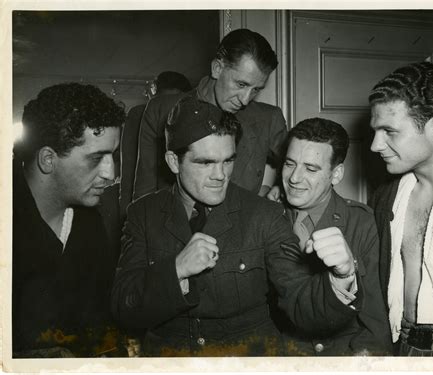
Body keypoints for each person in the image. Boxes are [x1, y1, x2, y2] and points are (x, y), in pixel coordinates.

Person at [111, 95, 295, 356]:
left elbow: (302, 298)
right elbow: (124, 308)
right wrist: (176, 269)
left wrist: (341, 280)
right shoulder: (143, 213)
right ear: (174, 162)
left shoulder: (264, 214)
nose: (220, 176)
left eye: (228, 161)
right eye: (206, 162)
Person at [12, 82, 125, 357]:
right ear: (48, 160)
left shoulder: (91, 224)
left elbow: (102, 330)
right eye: (96, 158)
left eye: (113, 155)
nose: (110, 173)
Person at [266, 118, 392, 356]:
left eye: (311, 169)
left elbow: (375, 322)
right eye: (290, 164)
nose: (294, 178)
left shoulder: (362, 223)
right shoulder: (267, 216)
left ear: (336, 174)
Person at [368, 61, 433, 356]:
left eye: (389, 131)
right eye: (375, 130)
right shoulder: (388, 194)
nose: (375, 145)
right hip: (403, 340)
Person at [133, 28, 287, 200]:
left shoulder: (268, 119)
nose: (245, 100)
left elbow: (300, 164)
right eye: (241, 84)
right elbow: (142, 195)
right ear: (217, 68)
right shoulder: (161, 110)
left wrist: (281, 188)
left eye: (256, 89)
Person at [119, 71, 191, 218]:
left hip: (148, 204)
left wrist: (127, 214)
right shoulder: (195, 107)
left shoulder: (139, 113)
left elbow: (129, 167)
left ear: (154, 91)